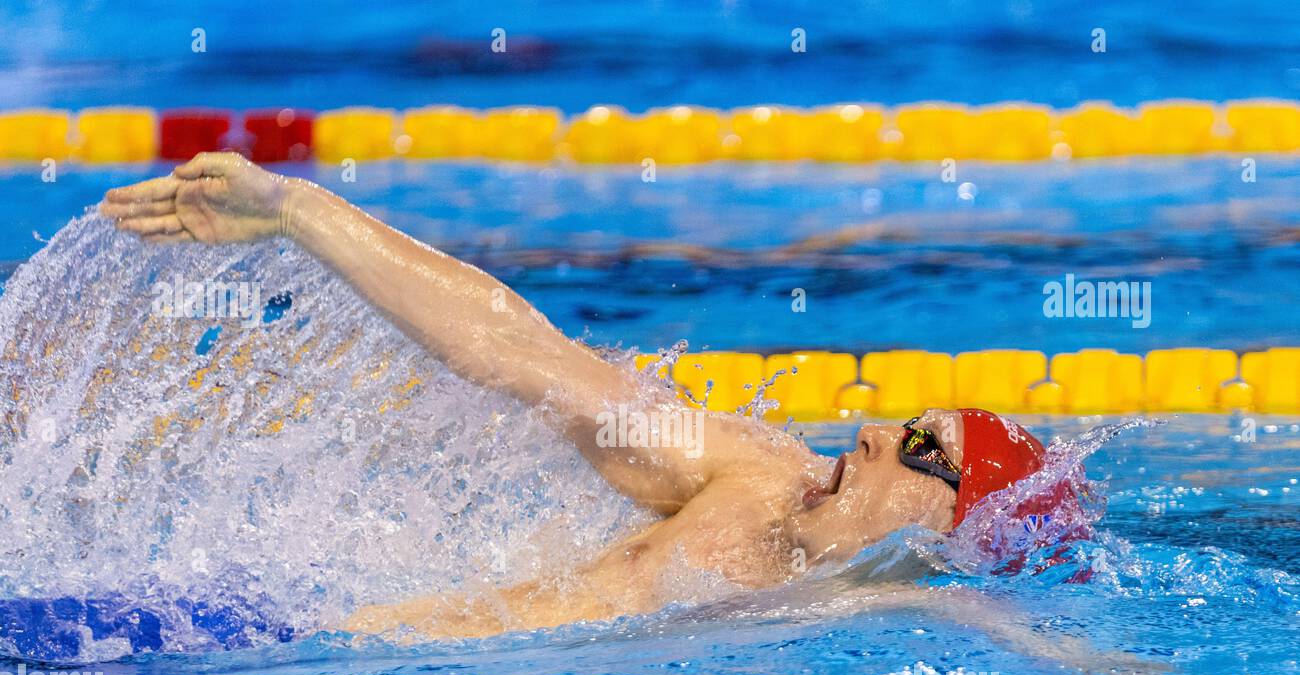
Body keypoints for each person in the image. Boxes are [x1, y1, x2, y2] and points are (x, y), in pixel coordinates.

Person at [101, 153, 1059, 640]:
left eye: (923, 450)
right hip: (298, 654)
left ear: (960, 532)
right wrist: (299, 210)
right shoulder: (752, 474)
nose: (870, 431)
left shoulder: (915, 617)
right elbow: (518, 352)